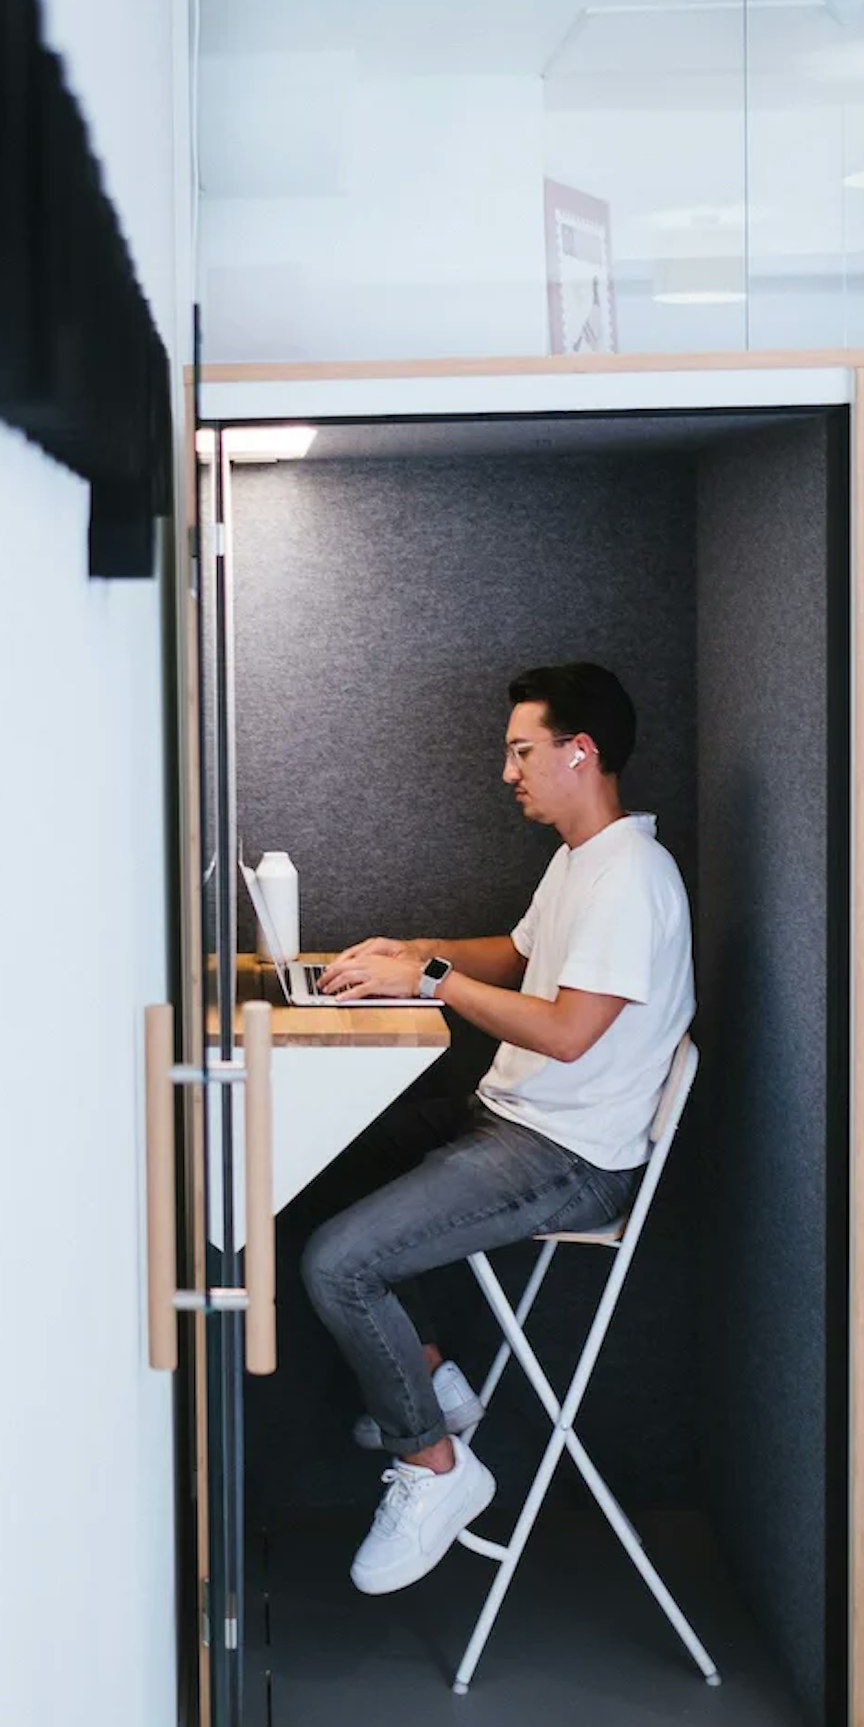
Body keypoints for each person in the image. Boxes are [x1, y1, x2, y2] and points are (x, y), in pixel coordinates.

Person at [301, 662, 694, 1597]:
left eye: (523, 752)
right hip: (511, 1118)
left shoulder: (633, 879)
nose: (508, 772)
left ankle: (437, 1470)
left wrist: (431, 983)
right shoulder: (581, 859)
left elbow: (564, 1031)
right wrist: (413, 952)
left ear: (579, 750)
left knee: (337, 1263)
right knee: (318, 1159)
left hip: (569, 1155)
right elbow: (519, 956)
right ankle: (429, 1379)